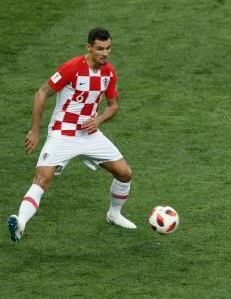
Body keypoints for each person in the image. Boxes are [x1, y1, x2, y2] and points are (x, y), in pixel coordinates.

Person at [7, 28, 136, 242]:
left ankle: (114, 214)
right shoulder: (72, 68)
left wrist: (99, 119)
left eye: (108, 49)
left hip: (90, 135)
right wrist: (35, 130)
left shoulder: (109, 72)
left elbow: (113, 106)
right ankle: (20, 224)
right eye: (100, 49)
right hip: (63, 134)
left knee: (124, 173)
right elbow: (41, 93)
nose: (105, 53)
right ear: (89, 47)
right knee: (42, 178)